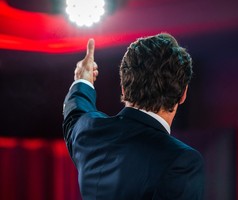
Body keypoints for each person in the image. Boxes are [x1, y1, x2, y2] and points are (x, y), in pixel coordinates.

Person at [63, 33, 205, 199]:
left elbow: (75, 112)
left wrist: (83, 79)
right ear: (183, 94)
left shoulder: (89, 132)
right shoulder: (182, 161)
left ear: (123, 88)